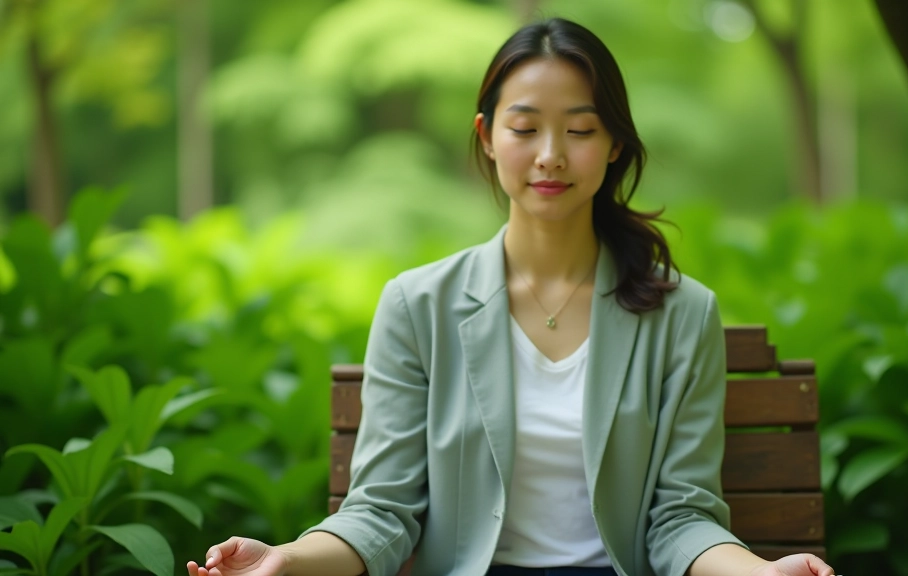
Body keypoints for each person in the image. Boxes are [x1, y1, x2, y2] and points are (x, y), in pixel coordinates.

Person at [186, 17, 838, 576]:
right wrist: (289, 559)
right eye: (524, 129)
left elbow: (680, 517)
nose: (550, 156)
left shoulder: (681, 314)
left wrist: (754, 569)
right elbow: (382, 511)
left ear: (613, 144)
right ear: (487, 135)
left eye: (580, 131)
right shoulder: (419, 306)